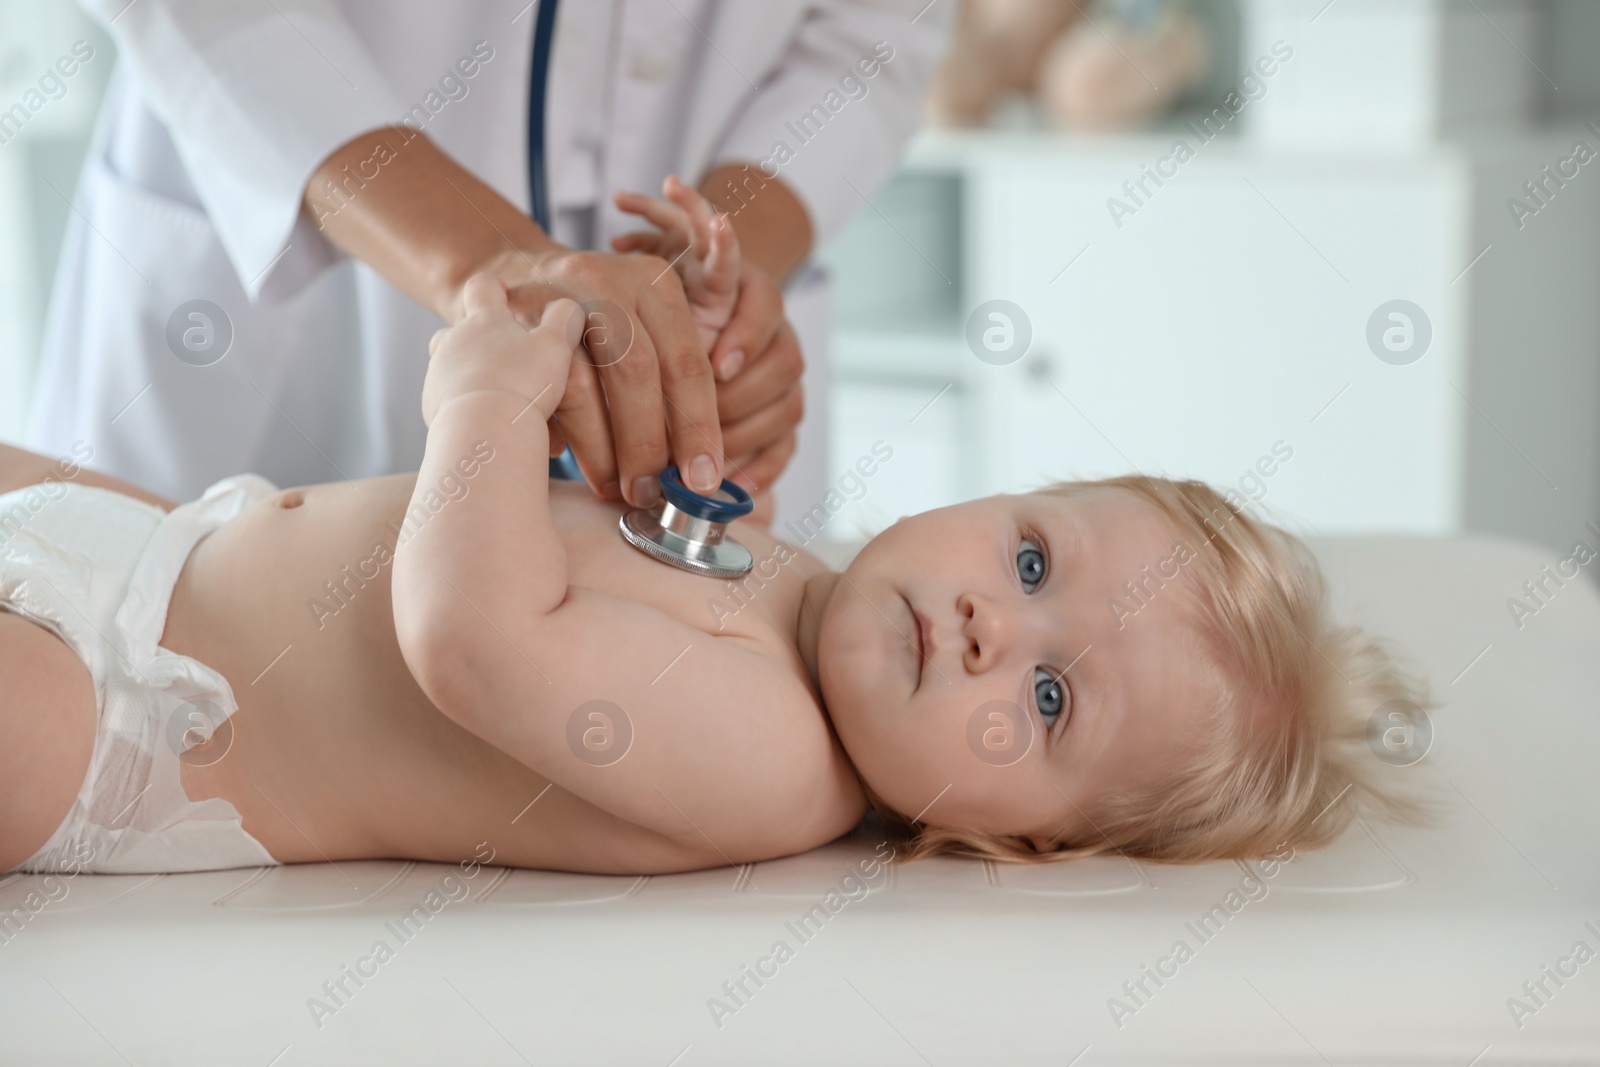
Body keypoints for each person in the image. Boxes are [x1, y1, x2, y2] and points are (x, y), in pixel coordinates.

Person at [1, 184, 1435, 876]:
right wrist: (693, 348)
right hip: (157, 548)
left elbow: (476, 634)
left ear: (1015, 840)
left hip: (138, 723)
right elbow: (603, 535)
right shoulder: (794, 585)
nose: (1000, 625)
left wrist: (487, 399)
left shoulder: (778, 760)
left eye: (1051, 696)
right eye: (1033, 557)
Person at [26, 0, 955, 523]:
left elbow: (872, 35)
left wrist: (709, 262)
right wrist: (501, 260)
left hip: (700, 264)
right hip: (295, 217)